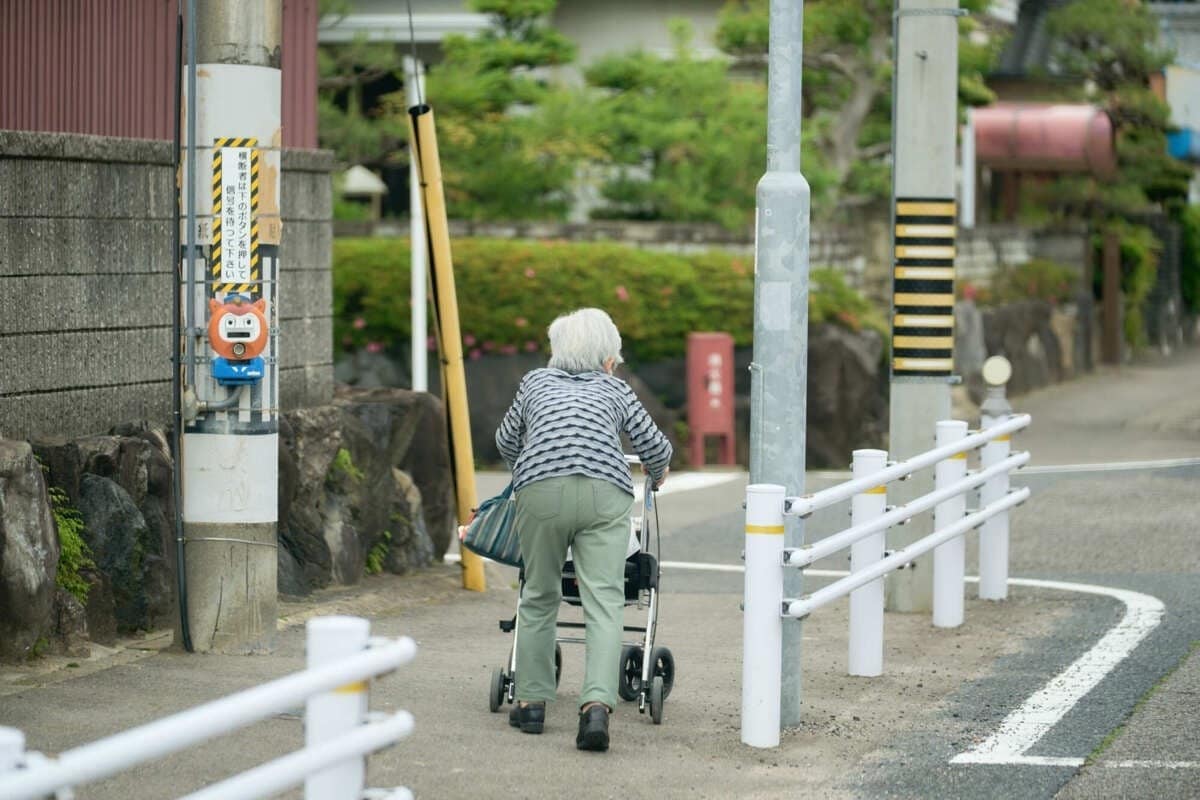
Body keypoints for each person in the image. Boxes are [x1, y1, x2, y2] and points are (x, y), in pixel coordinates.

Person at [495, 307, 673, 752]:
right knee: (605, 600)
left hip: (541, 491)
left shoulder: (534, 382)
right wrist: (659, 471)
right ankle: (595, 707)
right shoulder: (616, 389)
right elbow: (655, 445)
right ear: (607, 358)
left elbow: (505, 440)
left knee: (538, 594)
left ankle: (532, 702)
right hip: (604, 493)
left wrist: (530, 462)